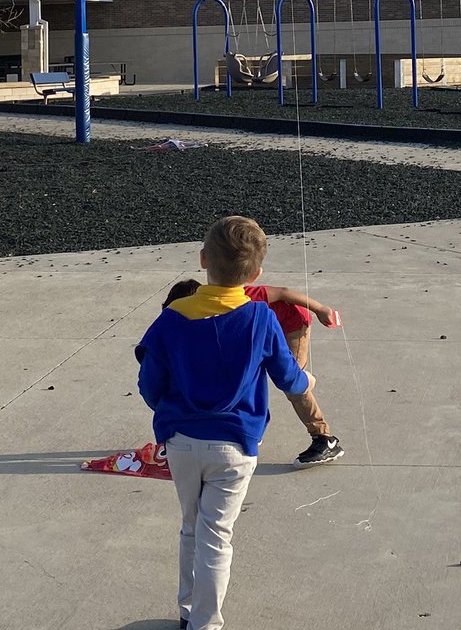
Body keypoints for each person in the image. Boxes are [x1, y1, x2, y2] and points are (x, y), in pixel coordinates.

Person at [136, 216, 314, 630]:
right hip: (235, 445)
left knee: (190, 527)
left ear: (203, 259)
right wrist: (308, 380)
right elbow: (289, 378)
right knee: (216, 535)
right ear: (256, 274)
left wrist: (168, 412)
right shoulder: (260, 317)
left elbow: (149, 385)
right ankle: (205, 623)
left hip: (181, 441)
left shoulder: (172, 317)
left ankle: (188, 612)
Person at [163, 277, 344, 468]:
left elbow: (283, 292)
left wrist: (320, 309)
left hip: (291, 324)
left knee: (293, 384)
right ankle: (251, 429)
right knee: (245, 374)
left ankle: (324, 439)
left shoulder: (244, 298)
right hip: (261, 331)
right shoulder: (210, 314)